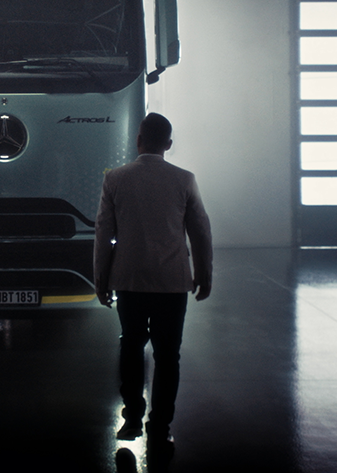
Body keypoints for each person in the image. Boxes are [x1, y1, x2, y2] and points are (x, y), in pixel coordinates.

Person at [94, 112, 213, 445]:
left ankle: (132, 418)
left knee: (131, 346)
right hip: (172, 282)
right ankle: (160, 426)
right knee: (168, 355)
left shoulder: (115, 179)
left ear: (138, 140)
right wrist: (204, 274)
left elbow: (103, 233)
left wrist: (101, 280)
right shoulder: (184, 180)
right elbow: (200, 232)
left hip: (129, 280)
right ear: (168, 144)